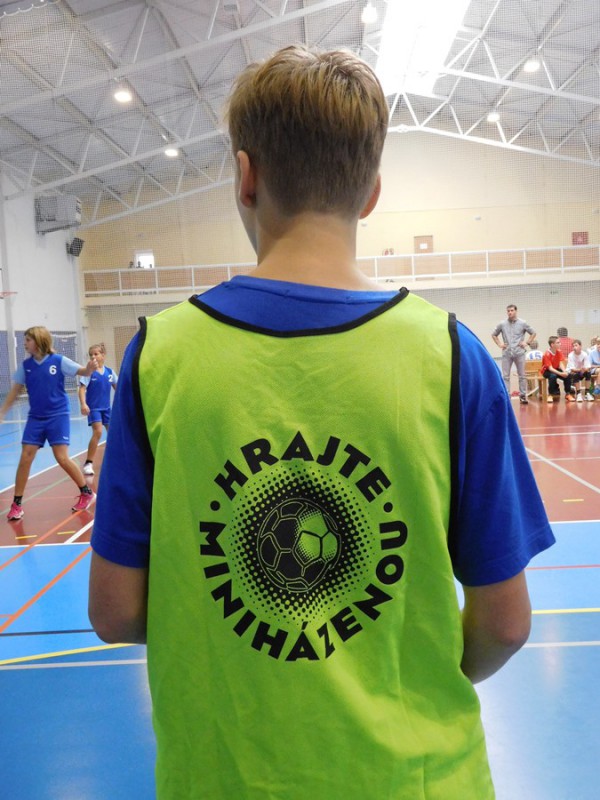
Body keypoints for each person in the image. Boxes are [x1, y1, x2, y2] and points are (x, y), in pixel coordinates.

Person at [89, 46, 554, 800]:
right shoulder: (451, 354)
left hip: (222, 780)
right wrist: (401, 669)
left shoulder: (158, 356)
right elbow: (505, 623)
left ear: (245, 176)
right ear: (371, 192)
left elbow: (115, 611)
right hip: (419, 780)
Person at [0, 326, 97, 520]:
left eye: (28, 340)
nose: (25, 343)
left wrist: (89, 368)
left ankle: (87, 492)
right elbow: (15, 391)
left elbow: (82, 371)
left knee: (61, 457)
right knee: (25, 457)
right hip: (36, 417)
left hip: (58, 415)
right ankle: (16, 504)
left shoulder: (58, 361)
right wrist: (2, 412)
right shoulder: (26, 366)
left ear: (38, 341)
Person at [78, 343, 118, 475]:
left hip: (107, 409)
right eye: (91, 355)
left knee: (113, 434)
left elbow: (118, 389)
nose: (93, 357)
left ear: (103, 355)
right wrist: (83, 404)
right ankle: (88, 463)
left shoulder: (110, 372)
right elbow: (82, 389)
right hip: (94, 409)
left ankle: (115, 459)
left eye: (96, 354)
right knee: (98, 432)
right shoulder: (89, 372)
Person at [491, 304, 537, 404]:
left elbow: (533, 333)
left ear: (516, 311)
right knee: (506, 376)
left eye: (511, 310)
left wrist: (527, 343)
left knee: (522, 375)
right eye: (508, 311)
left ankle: (523, 396)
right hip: (507, 353)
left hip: (519, 353)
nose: (510, 312)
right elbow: (494, 334)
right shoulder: (502, 324)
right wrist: (500, 344)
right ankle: (507, 396)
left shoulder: (523, 323)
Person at [541, 335, 574, 402]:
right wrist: (561, 374)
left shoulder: (559, 352)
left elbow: (560, 363)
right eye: (558, 343)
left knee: (567, 375)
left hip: (555, 369)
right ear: (552, 344)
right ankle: (550, 395)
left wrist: (564, 371)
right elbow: (550, 368)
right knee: (553, 376)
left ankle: (568, 394)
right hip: (547, 371)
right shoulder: (546, 354)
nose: (560, 344)